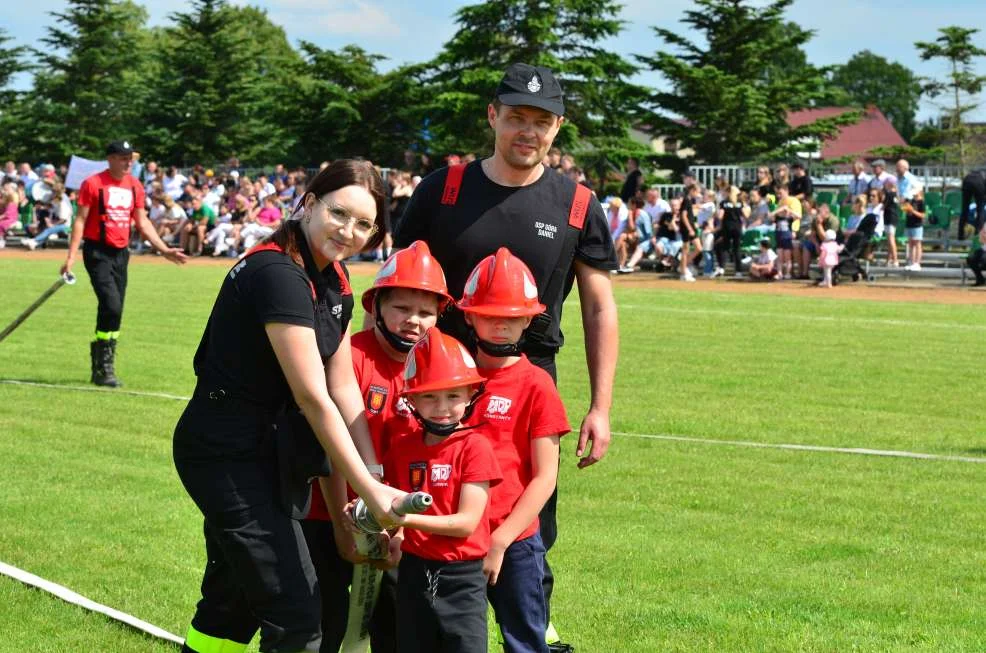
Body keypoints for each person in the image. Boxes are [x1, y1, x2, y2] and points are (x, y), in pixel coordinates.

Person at [393, 63, 617, 652]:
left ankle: (530, 629)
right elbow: (398, 294)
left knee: (529, 527)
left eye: (541, 121)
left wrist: (600, 407)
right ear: (493, 116)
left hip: (526, 385)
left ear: (558, 128)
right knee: (431, 510)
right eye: (517, 116)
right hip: (437, 391)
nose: (528, 131)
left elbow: (599, 307)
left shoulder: (576, 204)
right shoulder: (443, 189)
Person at [173, 160, 410, 653]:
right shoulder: (277, 273)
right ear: (308, 203)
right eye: (338, 213)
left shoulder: (337, 279)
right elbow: (312, 395)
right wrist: (369, 489)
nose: (348, 231)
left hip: (272, 452)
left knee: (232, 600)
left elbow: (344, 387)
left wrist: (372, 473)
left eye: (364, 224)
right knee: (297, 612)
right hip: (227, 452)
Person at [304, 241, 452, 653]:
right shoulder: (346, 358)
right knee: (321, 629)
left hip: (399, 525)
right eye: (402, 308)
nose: (414, 322)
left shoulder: (439, 372)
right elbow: (328, 449)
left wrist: (405, 527)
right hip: (325, 513)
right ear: (378, 305)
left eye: (426, 312)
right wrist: (339, 524)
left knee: (401, 632)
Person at [458, 249, 569, 653]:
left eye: (511, 317)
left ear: (528, 320)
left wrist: (502, 540)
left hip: (515, 539)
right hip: (456, 535)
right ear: (469, 315)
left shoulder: (537, 384)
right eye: (489, 315)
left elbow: (545, 476)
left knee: (524, 641)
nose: (500, 325)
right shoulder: (452, 378)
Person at [381, 327, 502, 653]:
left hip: (461, 580)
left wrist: (401, 522)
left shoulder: (475, 447)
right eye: (430, 396)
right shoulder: (403, 448)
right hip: (412, 573)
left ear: (469, 394)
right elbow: (396, 505)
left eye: (453, 395)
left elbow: (465, 523)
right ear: (412, 399)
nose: (442, 406)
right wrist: (395, 535)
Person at [59, 141, 186, 387]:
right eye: (123, 158)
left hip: (120, 254)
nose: (129, 162)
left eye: (131, 158)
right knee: (112, 305)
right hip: (97, 252)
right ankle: (103, 365)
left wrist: (163, 249)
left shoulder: (135, 185)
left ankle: (102, 365)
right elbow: (80, 221)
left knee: (114, 310)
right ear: (110, 159)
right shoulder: (92, 184)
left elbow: (142, 221)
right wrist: (71, 257)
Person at [769, 184, 801, 279]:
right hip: (779, 235)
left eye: (780, 193)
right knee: (780, 256)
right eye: (778, 193)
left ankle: (788, 273)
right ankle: (779, 273)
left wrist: (789, 211)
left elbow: (798, 216)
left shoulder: (793, 203)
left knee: (787, 256)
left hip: (787, 235)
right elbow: (771, 216)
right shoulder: (780, 206)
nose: (779, 195)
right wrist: (779, 210)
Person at [714, 185, 747, 277]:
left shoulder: (724, 203)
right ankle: (738, 271)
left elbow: (720, 216)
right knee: (737, 249)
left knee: (724, 248)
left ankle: (721, 268)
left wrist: (716, 213)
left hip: (727, 227)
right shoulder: (739, 202)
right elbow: (745, 215)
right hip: (737, 227)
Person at [903, 188, 926, 271]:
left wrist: (912, 211)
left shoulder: (921, 202)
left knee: (917, 243)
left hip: (917, 225)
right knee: (911, 244)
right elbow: (905, 208)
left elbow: (923, 215)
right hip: (909, 224)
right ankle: (912, 262)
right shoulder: (911, 200)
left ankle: (917, 263)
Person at [959, 168, 986, 240]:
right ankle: (977, 235)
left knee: (964, 209)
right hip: (979, 182)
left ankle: (960, 235)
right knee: (980, 210)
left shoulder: (974, 173)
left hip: (967, 180)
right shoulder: (982, 175)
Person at [882, 179, 901, 267]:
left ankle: (895, 259)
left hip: (890, 218)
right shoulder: (896, 194)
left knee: (890, 239)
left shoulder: (890, 194)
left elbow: (883, 205)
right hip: (891, 217)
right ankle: (889, 259)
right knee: (889, 240)